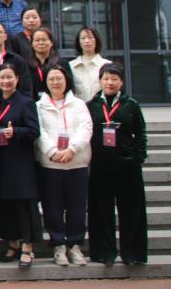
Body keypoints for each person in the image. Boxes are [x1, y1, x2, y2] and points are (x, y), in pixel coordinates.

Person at [86, 62, 148, 266]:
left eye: (114, 79)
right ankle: (104, 252)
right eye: (106, 78)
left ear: (121, 82)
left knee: (131, 210)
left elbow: (140, 133)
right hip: (100, 165)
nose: (109, 82)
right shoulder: (92, 105)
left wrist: (138, 156)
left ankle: (132, 253)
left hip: (127, 165)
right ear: (100, 81)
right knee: (101, 210)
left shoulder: (131, 104)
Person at [35, 65, 93, 266]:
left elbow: (86, 128)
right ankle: (59, 244)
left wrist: (72, 149)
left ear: (66, 80)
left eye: (59, 78)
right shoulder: (39, 106)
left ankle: (75, 245)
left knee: (77, 207)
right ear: (46, 82)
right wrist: (52, 151)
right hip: (51, 165)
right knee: (52, 207)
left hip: (76, 163)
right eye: (51, 79)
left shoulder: (78, 104)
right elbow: (39, 132)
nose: (55, 82)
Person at [0, 63, 42, 269]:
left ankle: (27, 247)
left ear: (17, 79)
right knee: (5, 204)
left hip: (20, 161)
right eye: (2, 77)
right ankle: (12, 243)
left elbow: (34, 131)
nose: (6, 81)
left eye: (9, 77)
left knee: (23, 204)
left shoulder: (26, 103)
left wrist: (16, 132)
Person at [26, 28, 72, 99]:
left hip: (56, 101)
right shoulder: (25, 64)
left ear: (51, 42)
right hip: (31, 102)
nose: (41, 43)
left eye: (44, 40)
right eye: (37, 40)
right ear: (32, 44)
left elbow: (70, 86)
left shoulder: (62, 63)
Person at [70, 26, 112, 101]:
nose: (87, 41)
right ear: (79, 42)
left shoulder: (107, 64)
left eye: (90, 37)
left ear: (96, 40)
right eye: (83, 38)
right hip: (79, 107)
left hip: (101, 107)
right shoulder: (71, 66)